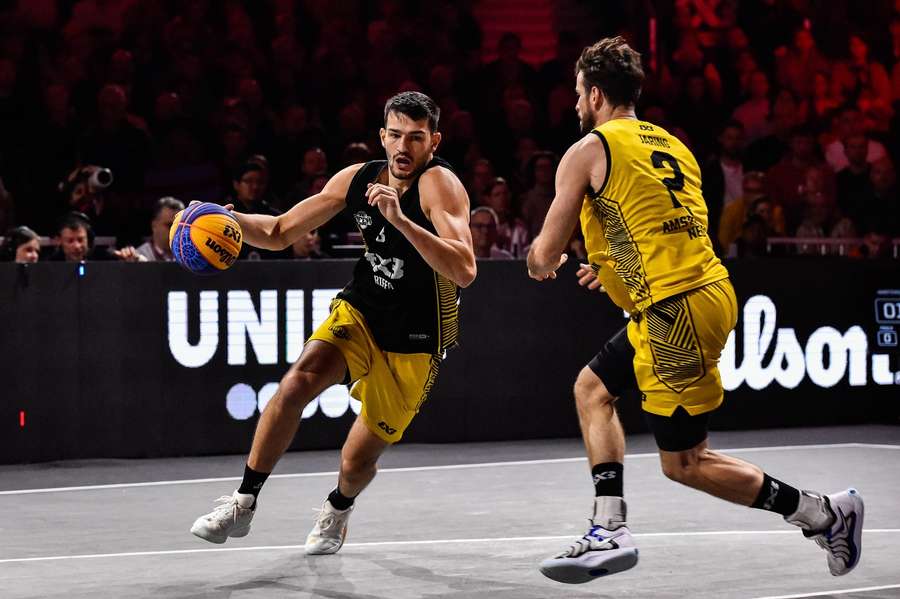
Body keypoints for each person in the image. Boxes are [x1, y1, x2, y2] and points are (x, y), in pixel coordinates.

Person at [526, 37, 863, 584]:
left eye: (577, 94)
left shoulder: (587, 149)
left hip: (673, 313)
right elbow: (664, 233)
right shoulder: (673, 145)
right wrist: (608, 269)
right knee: (592, 389)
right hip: (697, 295)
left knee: (684, 463)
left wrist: (546, 259)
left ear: (593, 93)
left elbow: (542, 257)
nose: (574, 105)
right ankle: (607, 523)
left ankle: (824, 514)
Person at [190, 91, 476, 554]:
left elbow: (464, 268)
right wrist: (225, 218)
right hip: (362, 310)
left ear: (433, 141)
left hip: (415, 339)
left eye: (417, 138)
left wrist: (400, 221)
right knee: (295, 383)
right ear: (382, 137)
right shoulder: (358, 178)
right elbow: (281, 231)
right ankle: (243, 502)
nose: (404, 147)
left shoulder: (439, 186)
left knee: (356, 460)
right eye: (396, 135)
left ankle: (338, 508)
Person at [134, 197, 185, 261]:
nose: (175, 232)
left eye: (179, 227)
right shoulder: (138, 256)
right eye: (169, 225)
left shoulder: (189, 255)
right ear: (154, 225)